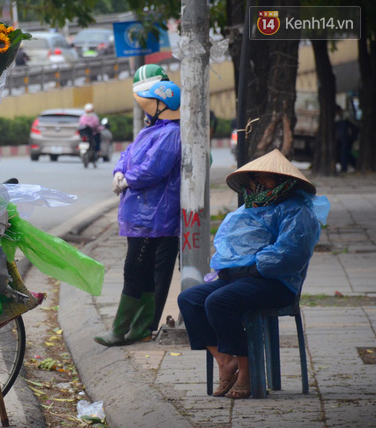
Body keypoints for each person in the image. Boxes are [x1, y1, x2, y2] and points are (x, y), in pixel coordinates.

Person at [177, 149, 330, 399]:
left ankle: (246, 371)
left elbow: (288, 254)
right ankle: (225, 361)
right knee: (189, 299)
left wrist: (250, 268)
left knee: (219, 301)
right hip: (241, 279)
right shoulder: (251, 209)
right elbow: (230, 244)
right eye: (254, 178)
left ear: (282, 182)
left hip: (277, 285)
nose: (258, 184)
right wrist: (235, 267)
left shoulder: (298, 211)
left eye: (264, 178)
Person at [93, 64, 181, 347]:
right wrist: (119, 171)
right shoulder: (152, 130)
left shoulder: (171, 133)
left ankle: (120, 330)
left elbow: (154, 168)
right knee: (139, 272)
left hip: (154, 216)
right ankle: (139, 328)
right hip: (141, 213)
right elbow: (129, 154)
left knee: (135, 271)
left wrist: (128, 180)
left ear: (161, 104)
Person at [334, 105, 359, 173]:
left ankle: (344, 168)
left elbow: (353, 128)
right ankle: (353, 165)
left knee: (345, 153)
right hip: (343, 139)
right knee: (345, 154)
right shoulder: (340, 117)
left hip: (346, 139)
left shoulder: (346, 117)